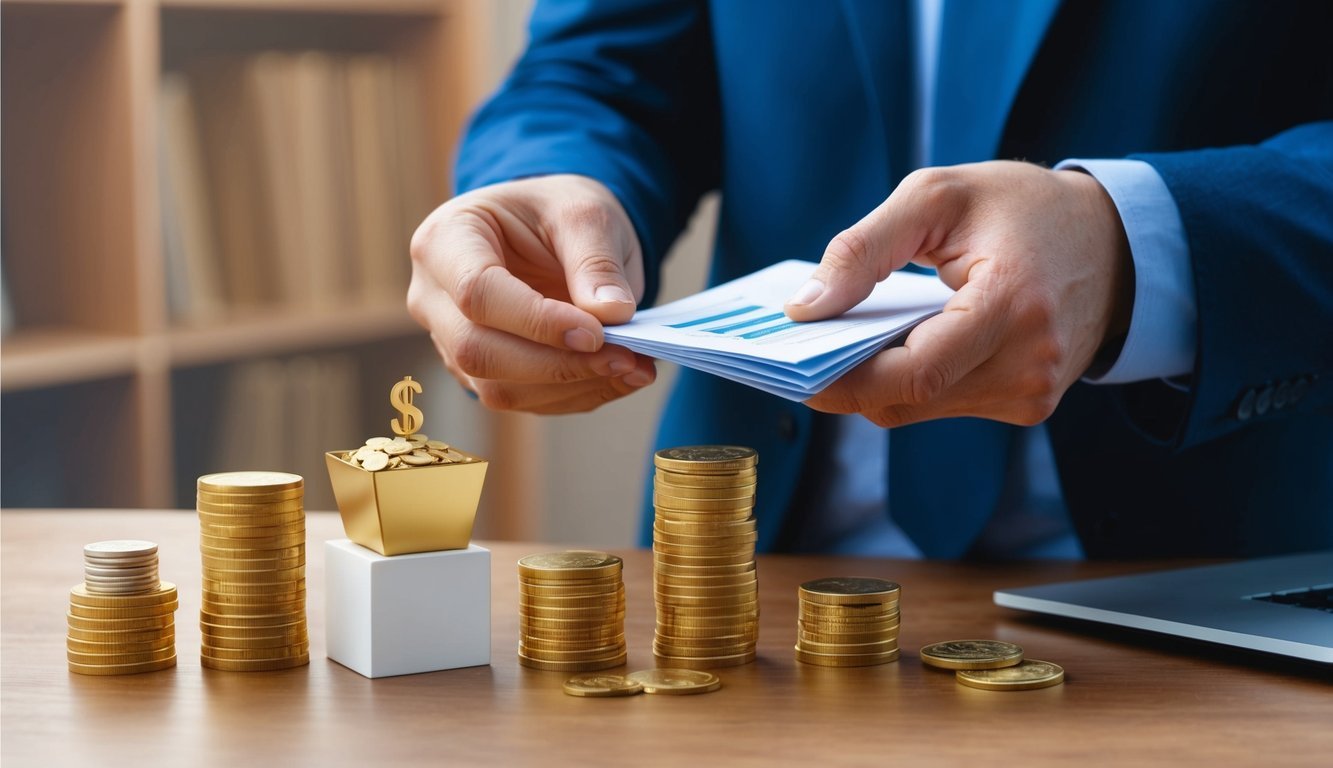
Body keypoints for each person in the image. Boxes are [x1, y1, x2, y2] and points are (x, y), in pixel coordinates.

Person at [407, 0, 1333, 559]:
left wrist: (1138, 242)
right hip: (753, 585)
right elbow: (594, 74)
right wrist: (545, 185)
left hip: (1224, 583)